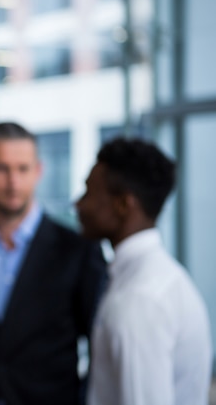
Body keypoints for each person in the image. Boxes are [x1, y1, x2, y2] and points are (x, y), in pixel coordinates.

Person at [0, 121, 107, 405]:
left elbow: (100, 348)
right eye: (2, 168)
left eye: (23, 169)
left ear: (38, 171)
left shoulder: (78, 251)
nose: (13, 181)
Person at [75, 136, 212, 405]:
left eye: (89, 192)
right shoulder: (155, 277)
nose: (79, 204)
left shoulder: (139, 298)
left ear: (123, 204)